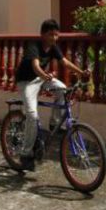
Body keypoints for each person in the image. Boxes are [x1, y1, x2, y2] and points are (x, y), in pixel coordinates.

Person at [15, 18, 89, 171]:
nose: (54, 38)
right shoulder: (33, 46)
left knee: (62, 89)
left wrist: (81, 72)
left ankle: (54, 122)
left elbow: (65, 62)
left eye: (56, 35)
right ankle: (26, 154)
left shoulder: (53, 47)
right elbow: (35, 66)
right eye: (50, 34)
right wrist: (44, 75)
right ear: (42, 34)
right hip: (26, 82)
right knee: (32, 115)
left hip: (41, 78)